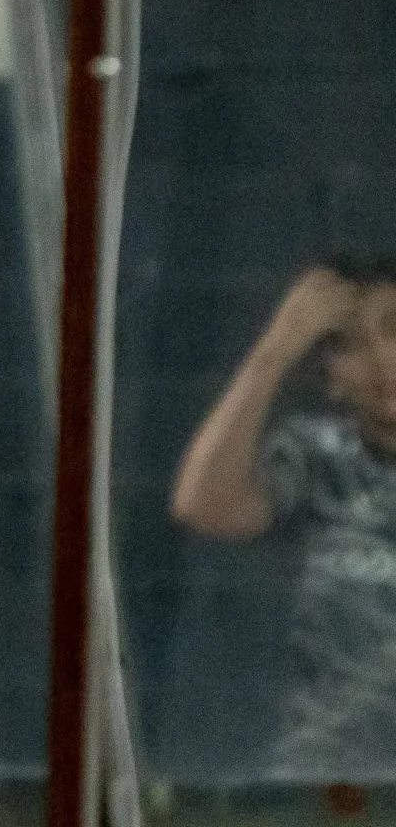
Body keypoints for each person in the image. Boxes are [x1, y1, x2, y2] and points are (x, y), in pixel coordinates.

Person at [174, 255, 396, 776]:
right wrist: (274, 352)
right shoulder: (316, 457)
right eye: (349, 345)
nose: (384, 360)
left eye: (395, 330)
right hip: (337, 787)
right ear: (328, 379)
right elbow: (204, 504)